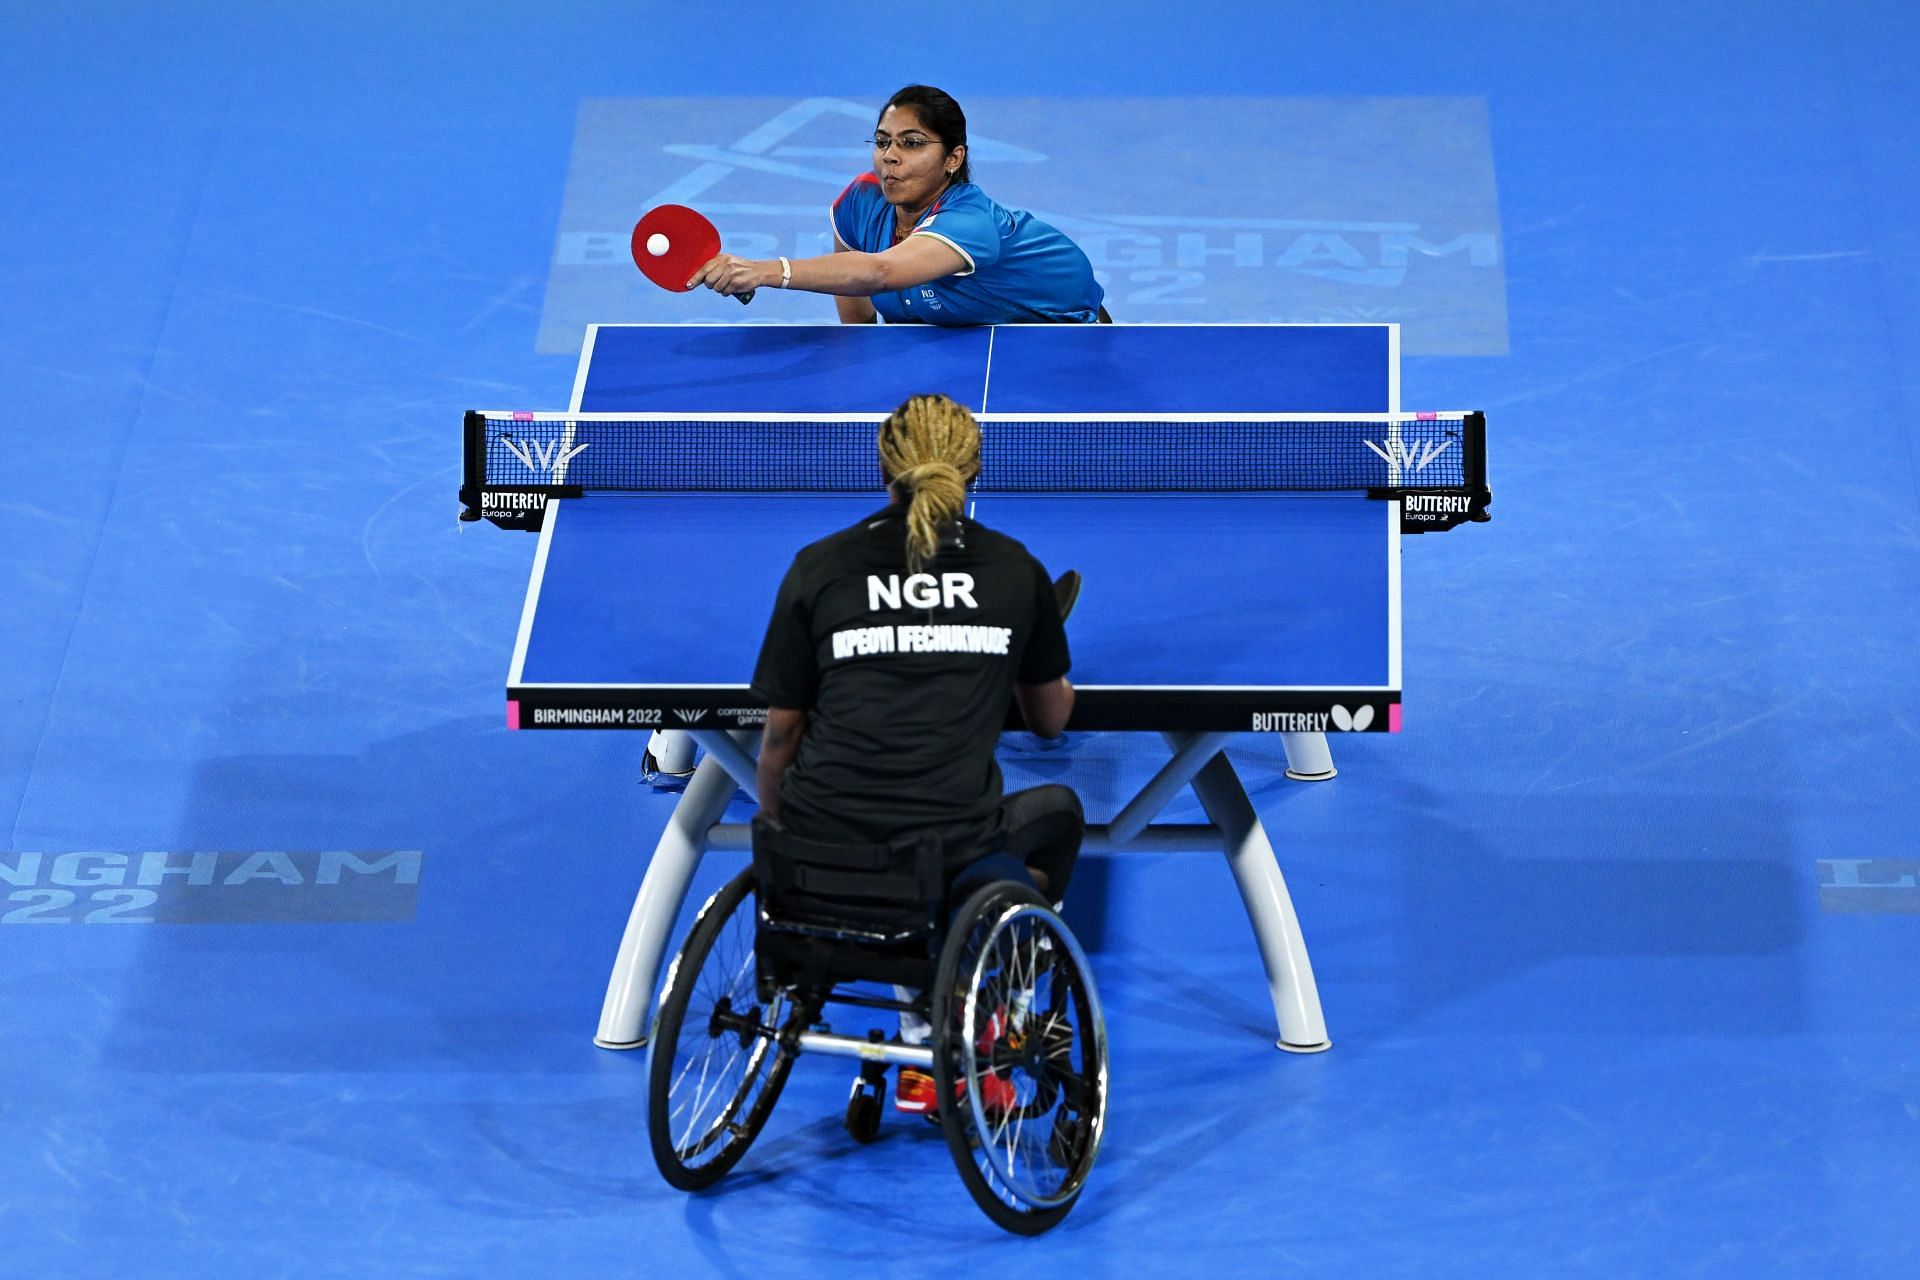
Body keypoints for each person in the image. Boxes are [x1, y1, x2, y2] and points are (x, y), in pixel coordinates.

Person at [750, 392, 1084, 1115]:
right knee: (1057, 812)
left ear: (882, 469)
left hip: (813, 856)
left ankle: (918, 1016)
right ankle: (999, 997)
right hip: (947, 858)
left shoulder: (819, 567)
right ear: (977, 469)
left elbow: (780, 735)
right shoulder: (1011, 570)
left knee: (893, 850)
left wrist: (779, 833)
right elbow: (1051, 722)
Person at [688, 84, 1107, 325]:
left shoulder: (969, 222)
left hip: (1064, 336)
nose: (890, 155)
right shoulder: (861, 203)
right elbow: (860, 332)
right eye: (884, 141)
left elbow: (880, 272)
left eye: (911, 144)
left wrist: (765, 271)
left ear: (953, 159)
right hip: (964, 340)